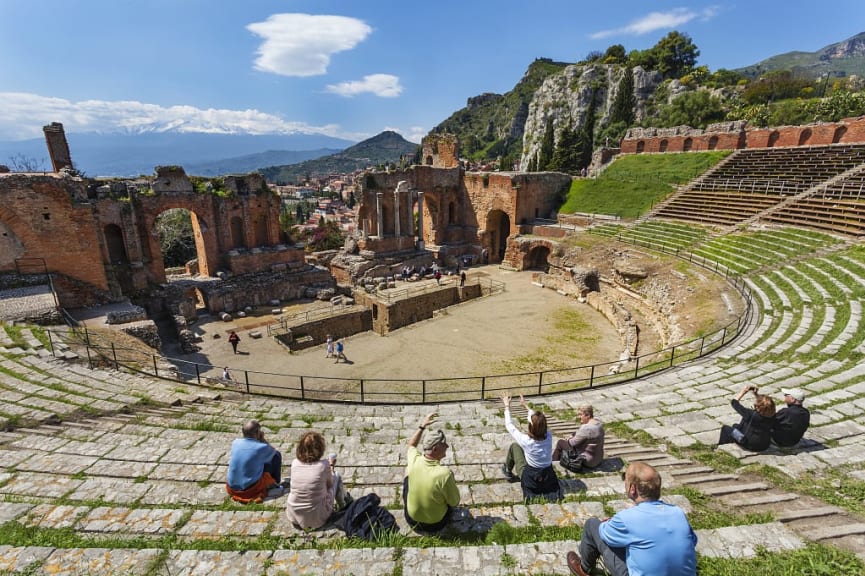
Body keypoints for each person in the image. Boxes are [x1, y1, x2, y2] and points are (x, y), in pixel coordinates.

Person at [566, 462, 697, 576]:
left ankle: (583, 568)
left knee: (592, 525)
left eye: (625, 480)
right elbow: (693, 541)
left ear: (632, 488)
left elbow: (604, 533)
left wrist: (613, 522)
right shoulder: (677, 513)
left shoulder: (626, 518)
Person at [403, 411, 460, 532]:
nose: (448, 446)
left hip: (411, 519)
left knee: (407, 471)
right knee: (445, 493)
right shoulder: (444, 474)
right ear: (435, 449)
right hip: (435, 525)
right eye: (444, 444)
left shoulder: (414, 459)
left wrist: (422, 426)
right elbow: (454, 502)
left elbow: (411, 445)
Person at [501, 394, 561, 502]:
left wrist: (506, 406)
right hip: (548, 476)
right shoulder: (549, 436)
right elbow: (539, 422)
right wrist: (525, 406)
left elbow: (509, 425)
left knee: (515, 446)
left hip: (530, 476)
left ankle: (508, 471)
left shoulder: (526, 440)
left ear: (530, 427)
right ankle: (508, 470)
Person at [286, 431, 348, 530]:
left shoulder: (294, 463)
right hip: (317, 518)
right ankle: (343, 505)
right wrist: (331, 466)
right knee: (336, 476)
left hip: (294, 515)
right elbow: (330, 484)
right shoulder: (323, 465)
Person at [226, 420, 284, 503]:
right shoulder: (261, 447)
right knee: (276, 455)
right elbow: (273, 452)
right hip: (250, 489)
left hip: (232, 487)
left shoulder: (235, 442)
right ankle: (275, 482)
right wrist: (262, 439)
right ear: (257, 432)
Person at [718, 385, 776, 451]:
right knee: (735, 426)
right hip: (764, 445)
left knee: (725, 429)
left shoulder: (750, 414)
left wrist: (743, 392)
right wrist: (756, 394)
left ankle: (720, 448)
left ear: (758, 407)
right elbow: (764, 403)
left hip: (748, 444)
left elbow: (734, 403)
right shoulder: (773, 416)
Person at [553, 404, 604, 471]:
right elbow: (584, 435)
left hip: (588, 461)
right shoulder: (598, 424)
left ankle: (553, 463)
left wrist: (568, 439)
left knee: (561, 443)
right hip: (598, 458)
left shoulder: (586, 428)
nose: (579, 417)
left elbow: (572, 443)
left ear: (588, 415)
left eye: (580, 414)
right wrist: (573, 435)